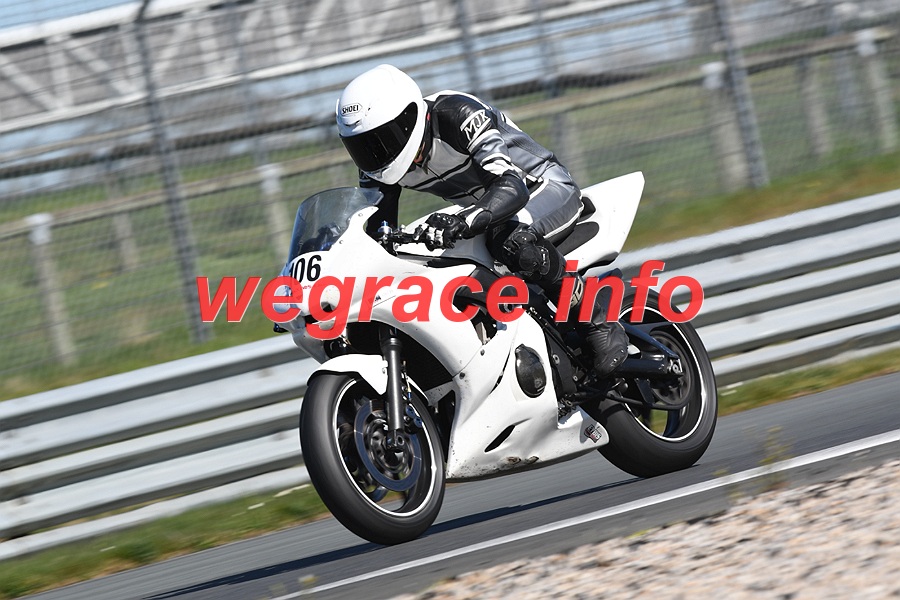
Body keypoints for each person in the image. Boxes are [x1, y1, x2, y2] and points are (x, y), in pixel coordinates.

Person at [335, 64, 627, 377]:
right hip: (489, 213)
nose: (377, 152)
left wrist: (461, 221)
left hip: (542, 187)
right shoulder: (378, 166)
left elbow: (511, 186)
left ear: (409, 118)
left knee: (511, 242)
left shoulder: (457, 115)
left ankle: (597, 320)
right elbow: (374, 227)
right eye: (363, 146)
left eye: (383, 138)